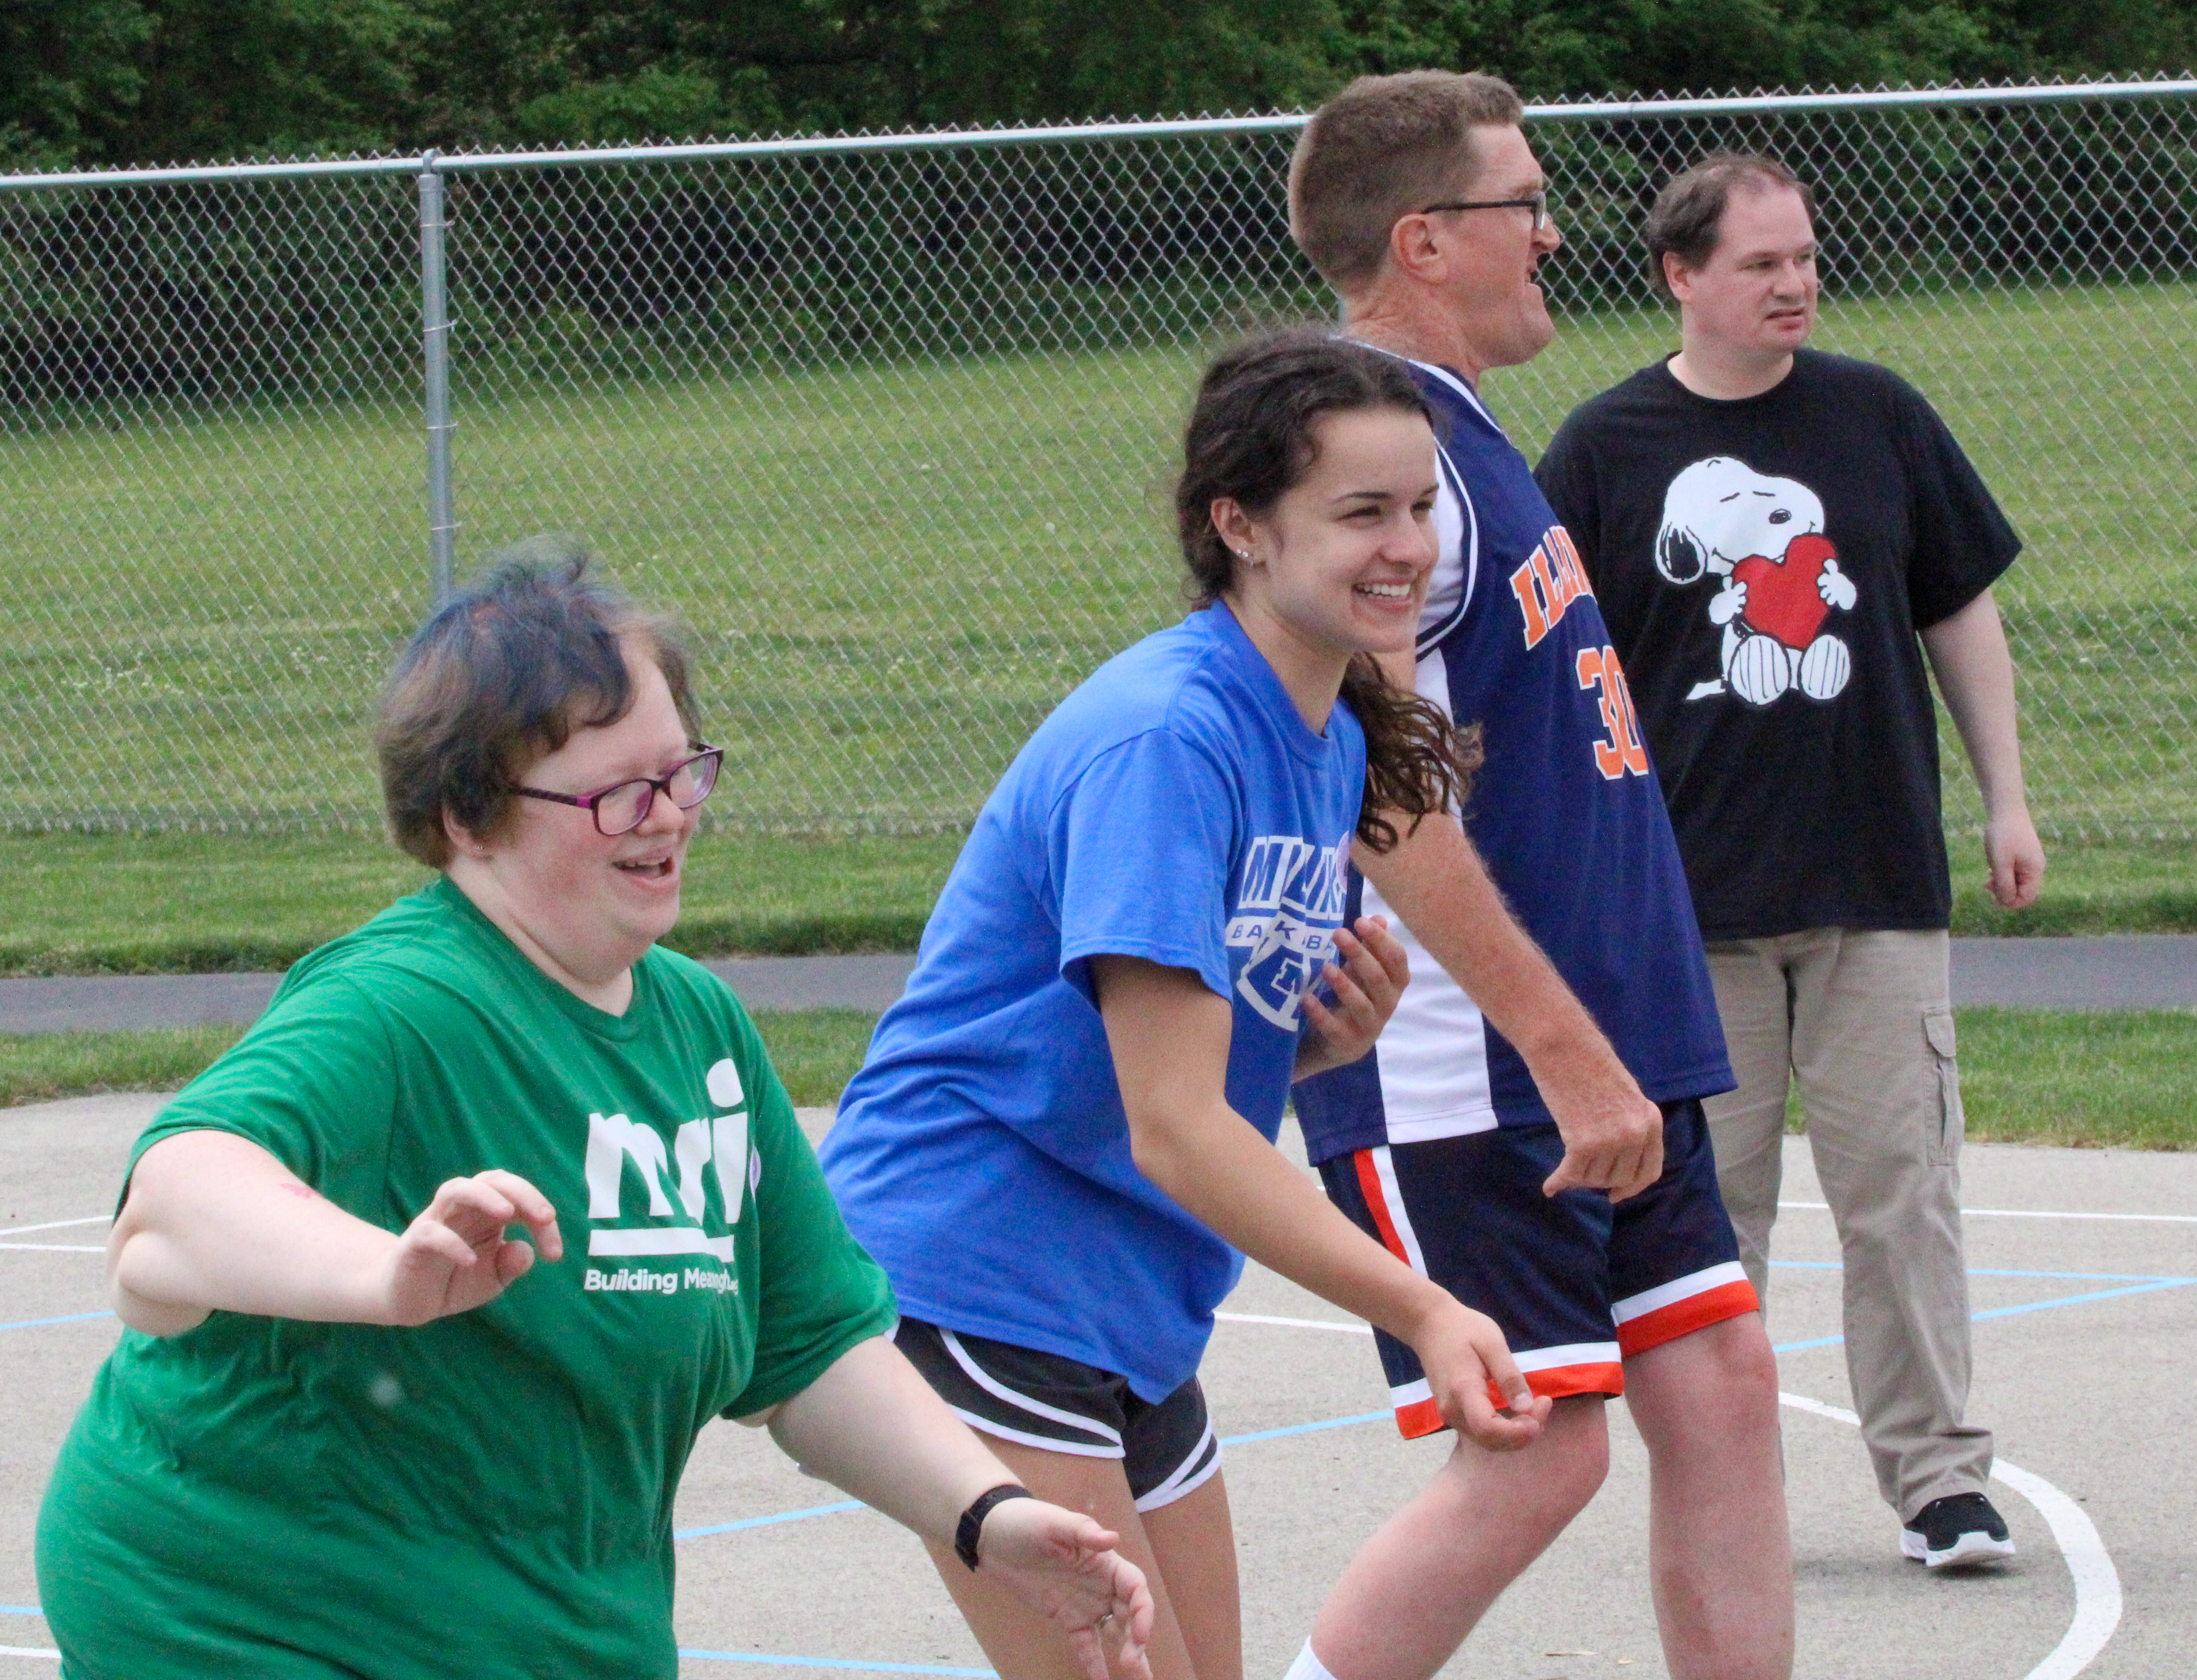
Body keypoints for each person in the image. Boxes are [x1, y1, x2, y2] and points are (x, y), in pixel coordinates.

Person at [35, 549, 1155, 1680]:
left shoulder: (697, 1032)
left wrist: (985, 1512)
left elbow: (808, 1349)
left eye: (683, 773)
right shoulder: (402, 1004)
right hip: (248, 1619)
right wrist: (387, 1274)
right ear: (469, 814)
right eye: (616, 791)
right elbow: (168, 1212)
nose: (666, 816)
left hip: (541, 1629)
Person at [819, 331, 1552, 1680]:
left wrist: (1324, 1041)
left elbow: (1190, 1068)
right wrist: (1425, 1308)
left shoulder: (1325, 734)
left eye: (1420, 507)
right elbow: (1172, 1124)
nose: (1408, 545)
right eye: (1361, 512)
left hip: (1131, 1288)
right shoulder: (1169, 737)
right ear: (1241, 526)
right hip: (988, 1265)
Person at [1281, 72, 1795, 1680]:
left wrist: (1608, 1039)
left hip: (1608, 1033)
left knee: (1717, 1381)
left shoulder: (1468, 432)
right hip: (1474, 1061)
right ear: (1424, 240)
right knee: (1538, 1447)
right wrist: (1562, 1048)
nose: (1553, 231)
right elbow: (1377, 782)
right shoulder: (1376, 458)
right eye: (1523, 205)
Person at [1535, 152, 2045, 1569]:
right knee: (1713, 1215)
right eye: (1760, 263)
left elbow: (1957, 613)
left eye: (1804, 256)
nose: (1793, 283)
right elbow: (1550, 679)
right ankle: (1725, 1489)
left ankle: (1938, 1479)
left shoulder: (1875, 415)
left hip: (1874, 886)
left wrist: (2005, 797)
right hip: (1689, 910)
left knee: (1903, 1191)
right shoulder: (1603, 448)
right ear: (1679, 276)